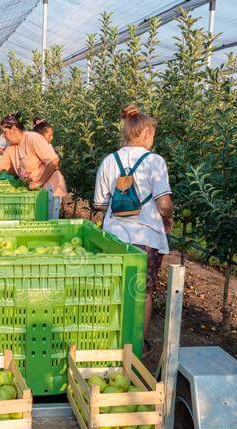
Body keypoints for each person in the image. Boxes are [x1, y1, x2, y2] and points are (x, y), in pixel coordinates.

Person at [93, 105, 173, 353]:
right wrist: (167, 219)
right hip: (145, 237)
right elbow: (164, 203)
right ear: (147, 132)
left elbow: (99, 203)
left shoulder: (109, 160)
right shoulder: (155, 162)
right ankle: (136, 344)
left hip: (113, 237)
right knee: (143, 291)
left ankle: (109, 340)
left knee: (112, 288)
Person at [0, 113, 67, 201]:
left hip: (50, 188)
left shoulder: (32, 139)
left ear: (13, 129)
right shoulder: (11, 148)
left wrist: (39, 182)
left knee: (49, 221)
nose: (4, 136)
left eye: (5, 132)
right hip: (36, 191)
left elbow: (53, 161)